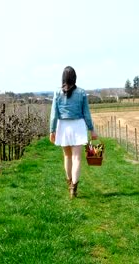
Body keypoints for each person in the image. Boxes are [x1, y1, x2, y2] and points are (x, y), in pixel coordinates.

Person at [49, 66, 98, 198]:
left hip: (63, 126)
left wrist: (52, 130)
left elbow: (54, 114)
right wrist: (92, 129)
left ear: (63, 78)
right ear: (75, 77)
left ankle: (69, 182)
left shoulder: (57, 92)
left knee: (67, 157)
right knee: (77, 158)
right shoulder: (81, 93)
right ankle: (74, 187)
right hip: (78, 126)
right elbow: (86, 113)